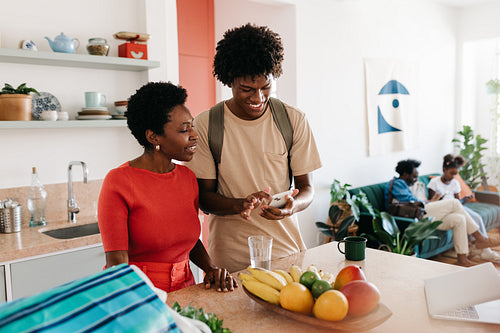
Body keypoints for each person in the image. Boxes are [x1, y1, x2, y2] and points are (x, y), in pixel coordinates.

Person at [184, 23, 322, 272]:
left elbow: (307, 189)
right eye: (247, 89)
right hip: (229, 263)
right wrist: (239, 205)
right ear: (229, 82)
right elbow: (203, 199)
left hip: (286, 255)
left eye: (265, 87)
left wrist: (293, 206)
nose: (258, 98)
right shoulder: (205, 124)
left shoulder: (293, 120)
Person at [98, 82, 237, 292]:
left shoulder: (187, 178)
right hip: (139, 293)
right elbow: (117, 262)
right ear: (153, 136)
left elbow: (185, 241)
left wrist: (211, 268)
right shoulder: (119, 182)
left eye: (192, 126)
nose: (194, 135)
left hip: (186, 290)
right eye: (184, 129)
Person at [385, 159, 499, 266]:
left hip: (421, 212)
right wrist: (430, 201)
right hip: (416, 215)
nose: (416, 179)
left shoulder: (404, 184)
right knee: (454, 203)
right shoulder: (397, 183)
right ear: (405, 174)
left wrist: (430, 201)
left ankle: (462, 259)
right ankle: (481, 238)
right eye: (414, 176)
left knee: (459, 218)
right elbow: (412, 202)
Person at [427, 154, 500, 262]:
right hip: (443, 208)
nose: (453, 176)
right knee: (458, 208)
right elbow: (431, 203)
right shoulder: (434, 182)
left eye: (455, 174)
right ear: (444, 170)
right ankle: (482, 242)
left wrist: (466, 199)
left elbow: (458, 201)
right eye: (451, 173)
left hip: (456, 207)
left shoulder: (455, 183)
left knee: (476, 217)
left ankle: (482, 248)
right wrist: (439, 198)